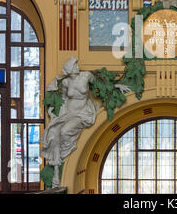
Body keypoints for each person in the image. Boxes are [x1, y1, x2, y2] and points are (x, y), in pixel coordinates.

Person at [41, 57, 130, 188]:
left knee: (65, 132)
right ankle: (56, 167)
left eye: (77, 65)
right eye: (75, 65)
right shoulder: (65, 82)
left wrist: (116, 85)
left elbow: (101, 86)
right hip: (68, 113)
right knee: (53, 132)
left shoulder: (86, 76)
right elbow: (64, 98)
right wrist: (54, 113)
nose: (78, 66)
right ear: (70, 70)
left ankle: (65, 155)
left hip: (82, 114)